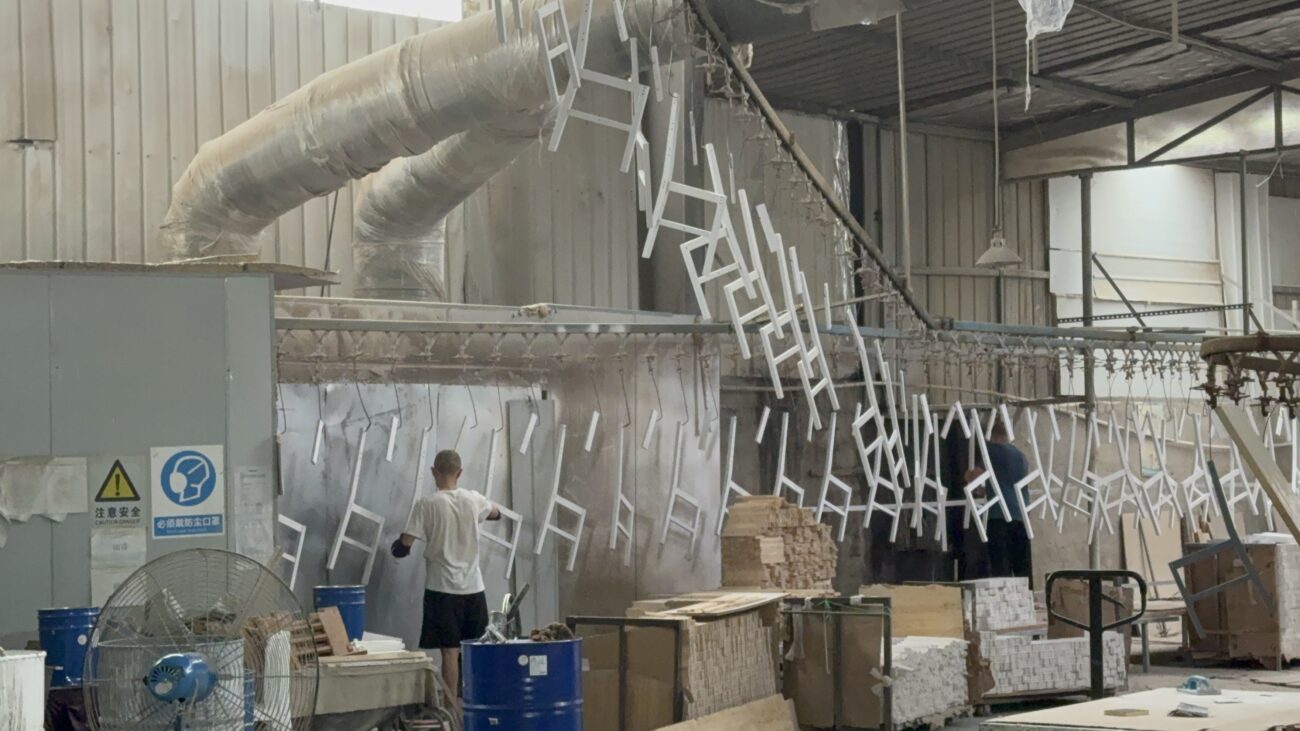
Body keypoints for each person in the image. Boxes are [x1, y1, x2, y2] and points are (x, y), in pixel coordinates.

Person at [392, 449, 501, 705]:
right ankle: (479, 706)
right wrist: (488, 510)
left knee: (449, 653)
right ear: (460, 473)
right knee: (475, 650)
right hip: (474, 588)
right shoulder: (473, 500)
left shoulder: (427, 505)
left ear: (434, 472)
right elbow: (496, 513)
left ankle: (452, 711)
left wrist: (397, 547)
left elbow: (404, 546)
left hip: (441, 590)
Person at [964, 420, 1032, 580]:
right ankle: (1027, 600)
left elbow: (974, 476)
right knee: (1022, 567)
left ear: (992, 436)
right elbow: (1005, 481)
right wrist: (985, 489)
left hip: (999, 515)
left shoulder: (992, 451)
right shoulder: (1021, 456)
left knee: (1001, 567)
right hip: (1021, 516)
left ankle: (1003, 600)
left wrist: (969, 478)